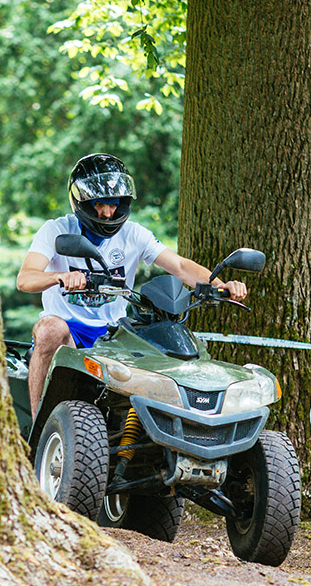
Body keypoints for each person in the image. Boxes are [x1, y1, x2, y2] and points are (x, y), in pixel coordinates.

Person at [16, 153, 248, 415]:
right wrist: (58, 277)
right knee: (49, 329)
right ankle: (40, 435)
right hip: (68, 331)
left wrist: (220, 285)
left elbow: (181, 266)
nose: (107, 212)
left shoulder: (134, 234)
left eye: (114, 204)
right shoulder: (56, 230)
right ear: (81, 202)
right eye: (99, 204)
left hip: (115, 334)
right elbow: (25, 279)